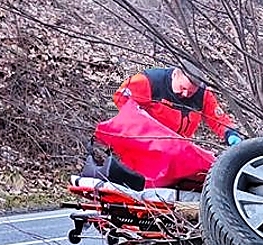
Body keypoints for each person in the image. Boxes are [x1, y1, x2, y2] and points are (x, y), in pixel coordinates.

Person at [100, 64, 239, 189]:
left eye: (190, 92)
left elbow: (218, 119)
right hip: (148, 144)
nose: (185, 94)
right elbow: (120, 98)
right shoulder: (151, 82)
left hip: (177, 151)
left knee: (204, 165)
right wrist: (141, 121)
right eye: (183, 88)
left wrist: (231, 134)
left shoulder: (203, 95)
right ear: (174, 75)